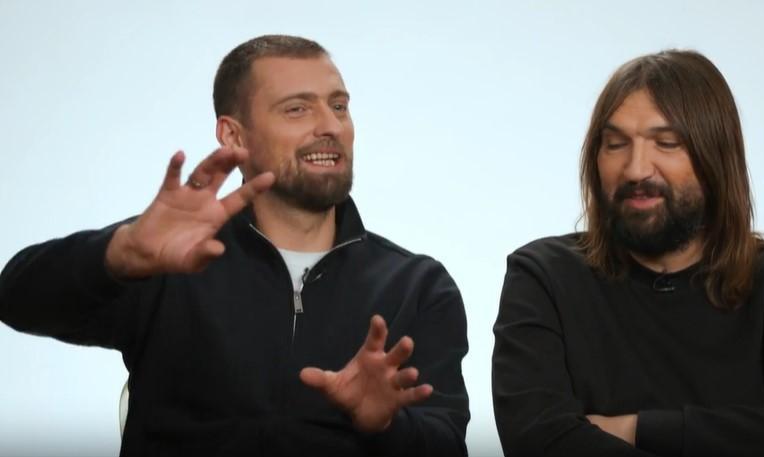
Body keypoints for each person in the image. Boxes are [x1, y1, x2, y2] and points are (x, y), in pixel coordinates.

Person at [0, 35, 468, 456]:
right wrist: (118, 253)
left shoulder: (417, 285)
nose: (331, 125)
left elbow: (446, 442)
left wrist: (385, 425)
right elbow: (15, 299)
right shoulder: (168, 254)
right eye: (297, 109)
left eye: (339, 106)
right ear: (233, 134)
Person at [491, 50, 764, 457]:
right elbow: (538, 440)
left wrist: (634, 429)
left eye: (666, 144)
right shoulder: (543, 277)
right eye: (615, 144)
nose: (636, 169)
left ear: (715, 157)